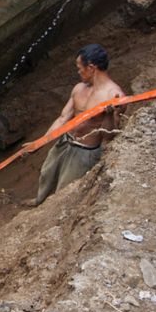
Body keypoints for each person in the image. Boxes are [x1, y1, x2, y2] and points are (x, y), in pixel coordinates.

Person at [31, 44, 124, 205]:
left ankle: (51, 220)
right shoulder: (78, 88)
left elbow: (109, 136)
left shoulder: (114, 96)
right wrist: (40, 142)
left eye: (80, 68)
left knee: (65, 190)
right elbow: (63, 117)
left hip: (84, 152)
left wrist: (108, 114)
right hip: (64, 143)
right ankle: (38, 201)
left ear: (91, 68)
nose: (78, 72)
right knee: (47, 174)